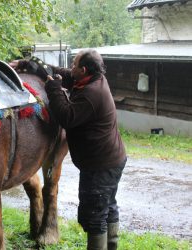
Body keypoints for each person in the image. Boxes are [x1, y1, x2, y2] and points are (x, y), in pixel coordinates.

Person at [10, 49, 126, 250]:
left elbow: (67, 117)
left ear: (83, 69)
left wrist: (53, 88)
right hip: (110, 160)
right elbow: (59, 72)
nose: (70, 68)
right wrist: (28, 64)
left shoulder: (92, 93)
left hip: (100, 165)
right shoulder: (91, 79)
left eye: (74, 65)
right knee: (107, 207)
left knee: (94, 213)